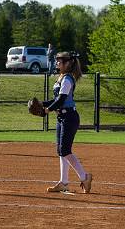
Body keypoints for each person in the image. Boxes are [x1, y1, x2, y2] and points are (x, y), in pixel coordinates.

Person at [43, 51, 92, 193]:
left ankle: (85, 177)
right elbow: (55, 100)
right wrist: (42, 103)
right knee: (61, 150)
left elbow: (61, 100)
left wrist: (47, 110)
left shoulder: (68, 79)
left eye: (60, 61)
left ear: (68, 63)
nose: (57, 63)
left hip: (69, 117)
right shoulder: (61, 78)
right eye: (57, 60)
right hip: (62, 117)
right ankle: (63, 182)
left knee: (65, 150)